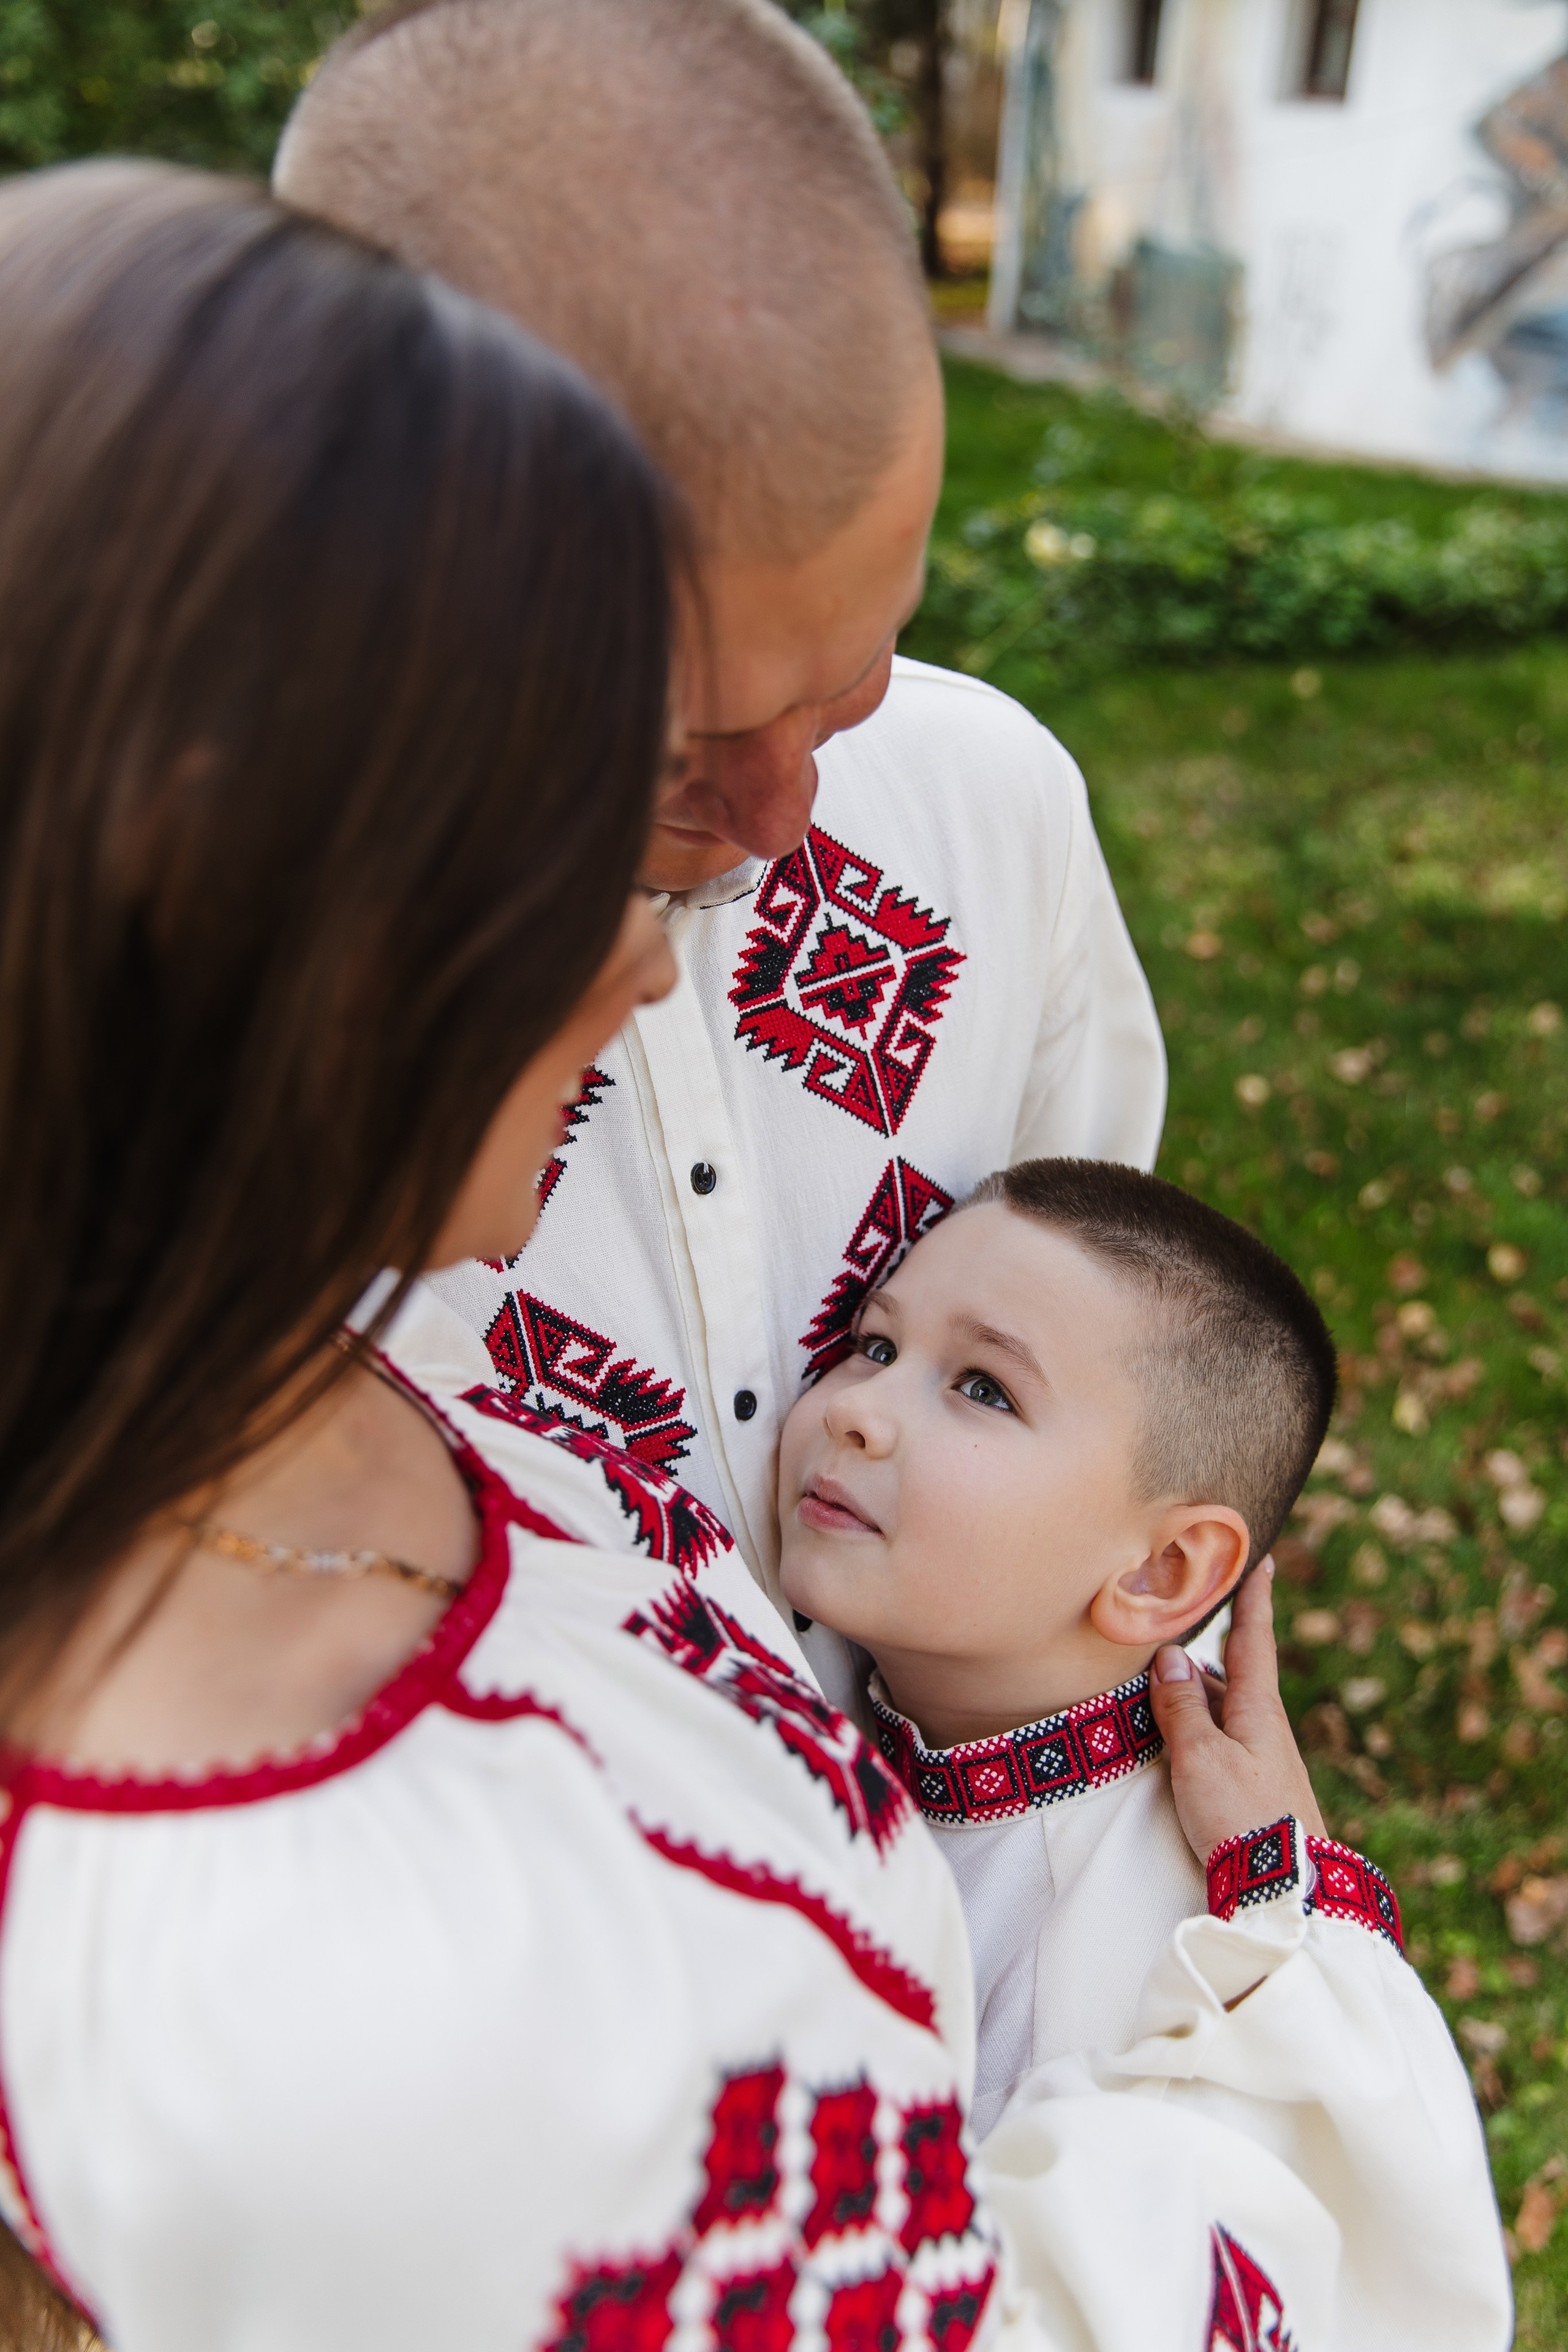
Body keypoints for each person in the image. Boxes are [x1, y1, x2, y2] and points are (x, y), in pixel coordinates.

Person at [0, 160, 1507, 2352]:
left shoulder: (386, 1426)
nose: (671, 954)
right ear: (263, 896)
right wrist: (1295, 2009)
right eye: (585, 820)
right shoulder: (324, 2008)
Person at [273, 0, 1168, 1691]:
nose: (782, 822)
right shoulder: (199, 1053)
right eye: (669, 744)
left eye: (845, 680)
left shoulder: (995, 800)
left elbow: (1123, 1391)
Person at [774, 1164, 1477, 2152]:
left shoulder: (1117, 1969)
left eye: (984, 1388)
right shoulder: (909, 1734)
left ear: (1161, 1570)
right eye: (875, 1344)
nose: (858, 1408)